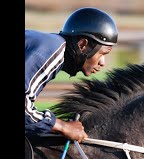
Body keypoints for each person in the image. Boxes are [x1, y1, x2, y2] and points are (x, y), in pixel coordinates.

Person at [25, 7, 118, 143]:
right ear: (82, 45)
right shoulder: (53, 51)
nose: (103, 62)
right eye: (102, 54)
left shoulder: (50, 45)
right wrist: (63, 127)